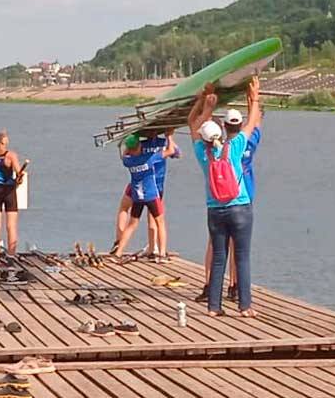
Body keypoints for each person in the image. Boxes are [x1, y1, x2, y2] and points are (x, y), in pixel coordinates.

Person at [187, 77, 261, 318]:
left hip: (215, 210)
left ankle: (214, 307)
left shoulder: (202, 153)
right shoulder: (235, 146)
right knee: (242, 257)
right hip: (240, 207)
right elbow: (251, 123)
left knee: (219, 258)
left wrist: (205, 104)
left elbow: (191, 123)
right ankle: (245, 306)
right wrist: (254, 97)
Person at [111, 132, 180, 261]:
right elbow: (172, 151)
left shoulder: (128, 161)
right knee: (160, 222)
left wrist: (127, 146)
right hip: (152, 195)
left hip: (137, 195)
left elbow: (123, 155)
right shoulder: (150, 158)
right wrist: (169, 135)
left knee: (132, 224)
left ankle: (118, 251)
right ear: (139, 147)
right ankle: (162, 253)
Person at [0, 130, 23, 262]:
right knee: (11, 226)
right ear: (2, 141)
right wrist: (19, 179)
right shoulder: (11, 155)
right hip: (9, 191)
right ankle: (11, 255)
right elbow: (19, 173)